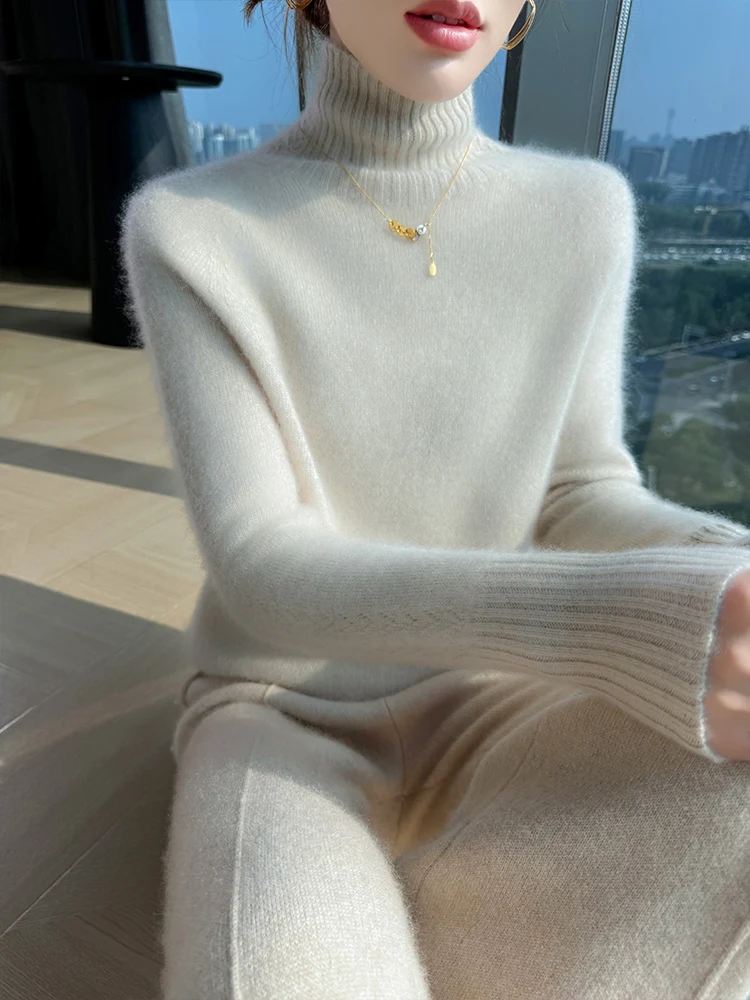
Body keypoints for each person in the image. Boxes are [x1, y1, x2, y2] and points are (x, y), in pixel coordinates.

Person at [119, 1, 750, 997]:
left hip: (511, 696)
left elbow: (582, 491)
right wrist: (626, 617)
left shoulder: (584, 209)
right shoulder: (194, 228)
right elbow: (259, 561)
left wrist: (727, 568)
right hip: (288, 714)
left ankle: (451, 914)